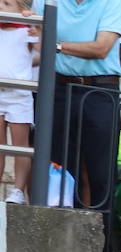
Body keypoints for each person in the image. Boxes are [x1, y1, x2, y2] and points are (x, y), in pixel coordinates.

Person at [52, 0, 121, 216]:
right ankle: (58, 236)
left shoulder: (113, 2)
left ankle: (102, 245)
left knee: (100, 172)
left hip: (100, 89)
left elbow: (101, 48)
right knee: (59, 168)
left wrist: (56, 45)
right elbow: (35, 37)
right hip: (59, 87)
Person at [0, 0, 37, 204]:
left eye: (7, 4)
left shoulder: (26, 30)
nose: (1, 7)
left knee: (20, 144)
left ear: (21, 10)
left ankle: (18, 190)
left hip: (19, 95)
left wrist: (34, 26)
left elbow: (43, 47)